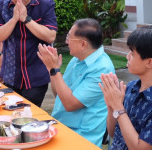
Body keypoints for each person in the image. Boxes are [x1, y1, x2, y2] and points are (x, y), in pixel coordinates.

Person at [37, 18, 115, 147]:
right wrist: (51, 69)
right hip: (62, 127)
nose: (67, 41)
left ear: (83, 44)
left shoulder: (102, 69)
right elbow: (60, 97)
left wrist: (55, 70)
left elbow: (70, 104)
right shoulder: (77, 59)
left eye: (69, 37)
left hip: (80, 138)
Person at [100, 26, 152, 150]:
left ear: (149, 63)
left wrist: (119, 108)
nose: (127, 56)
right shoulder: (131, 87)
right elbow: (114, 134)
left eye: (132, 53)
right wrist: (111, 107)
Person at [0, 0, 57, 107]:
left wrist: (26, 19)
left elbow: (50, 36)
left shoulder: (45, 4)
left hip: (35, 76)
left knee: (28, 117)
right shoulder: (1, 5)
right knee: (9, 117)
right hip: (10, 75)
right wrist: (14, 19)